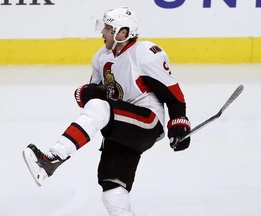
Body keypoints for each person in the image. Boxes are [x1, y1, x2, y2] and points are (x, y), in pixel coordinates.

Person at [22, 6, 191, 216]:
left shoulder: (145, 53)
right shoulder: (101, 58)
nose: (103, 32)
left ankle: (53, 158)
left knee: (99, 107)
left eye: (108, 28)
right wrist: (87, 92)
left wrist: (178, 123)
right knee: (112, 189)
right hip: (121, 128)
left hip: (147, 123)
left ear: (124, 32)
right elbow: (93, 103)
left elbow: (173, 93)